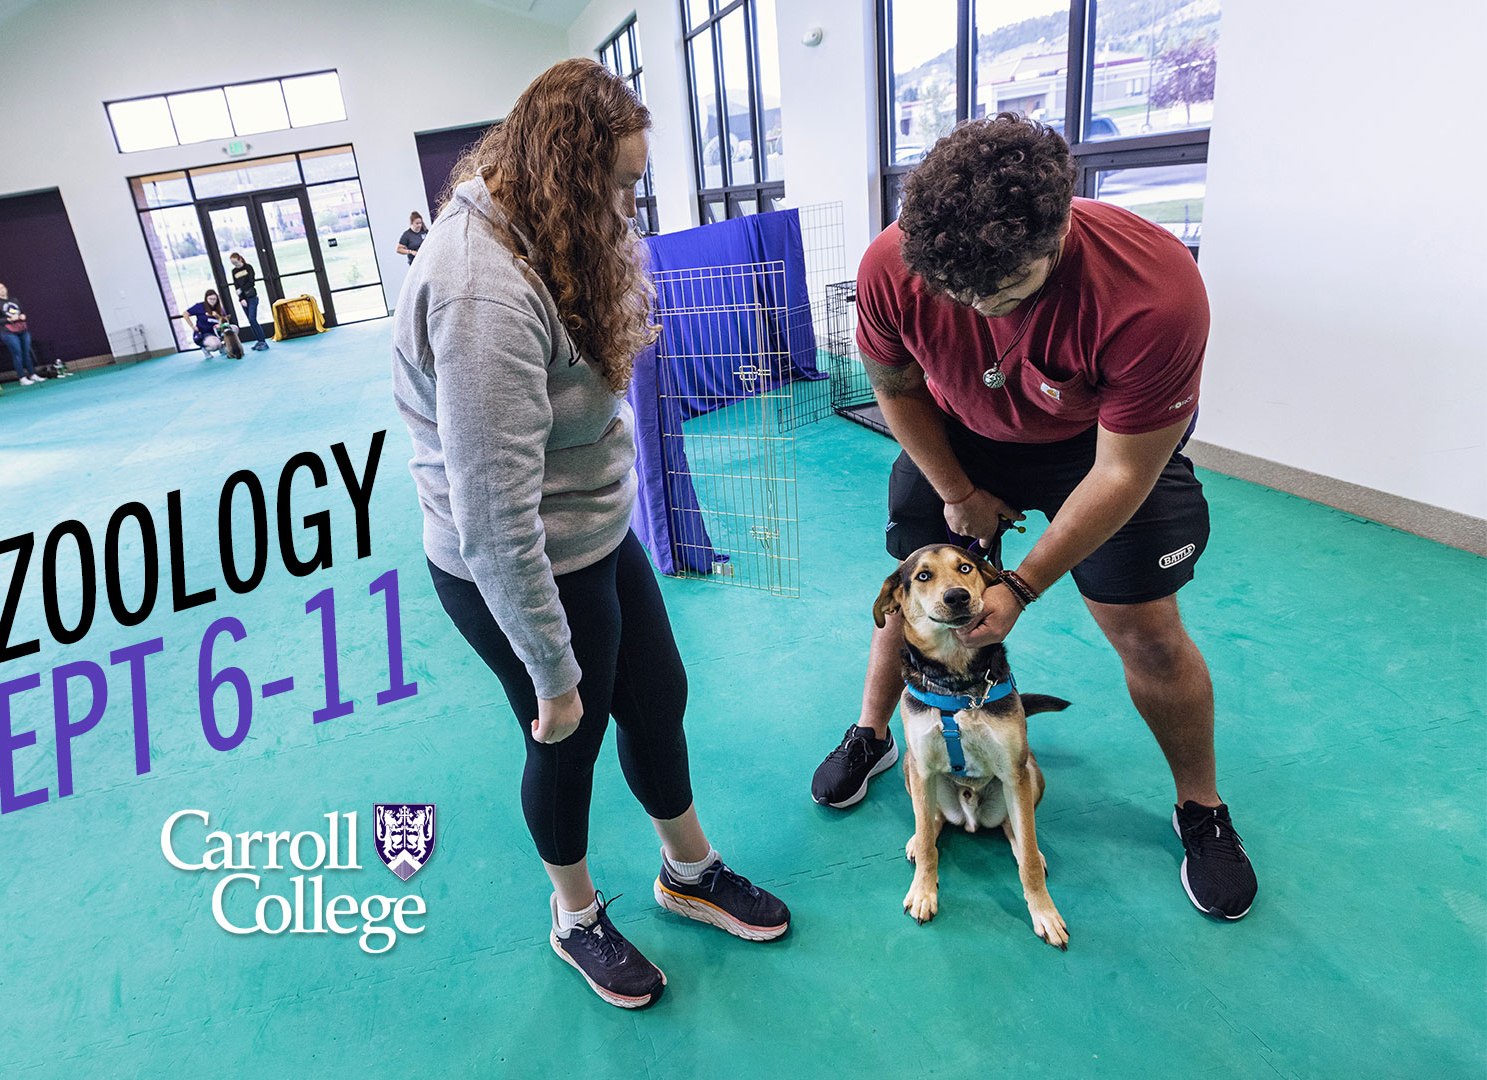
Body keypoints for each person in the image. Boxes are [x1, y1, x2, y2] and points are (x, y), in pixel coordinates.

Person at [392, 59, 789, 1010]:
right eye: (614, 186)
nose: (626, 206)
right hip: (513, 557)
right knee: (568, 732)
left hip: (593, 530)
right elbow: (493, 517)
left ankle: (688, 874)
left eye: (633, 185)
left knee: (658, 694)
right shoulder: (480, 289)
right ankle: (575, 921)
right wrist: (552, 669)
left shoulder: (563, 233)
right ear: (562, 174)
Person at [807, 114, 1257, 921]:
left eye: (1004, 293)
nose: (980, 313)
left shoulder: (1154, 290)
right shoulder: (891, 262)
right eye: (958, 295)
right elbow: (898, 386)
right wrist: (955, 491)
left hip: (1100, 446)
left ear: (1060, 230)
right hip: (960, 437)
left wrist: (1020, 580)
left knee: (1147, 629)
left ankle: (1202, 808)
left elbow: (1123, 470)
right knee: (911, 593)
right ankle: (875, 735)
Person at [0, 282, 43, 384]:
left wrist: (22, 316)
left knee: (26, 352)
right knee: (17, 353)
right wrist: (8, 319)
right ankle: (22, 378)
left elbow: (21, 312)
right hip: (8, 332)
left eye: (3, 287)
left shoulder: (14, 300)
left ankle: (33, 374)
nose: (2, 290)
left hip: (22, 330)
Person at [226, 254, 270, 351]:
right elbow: (236, 285)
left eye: (235, 262)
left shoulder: (248, 267)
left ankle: (263, 341)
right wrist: (241, 298)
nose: (234, 264)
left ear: (240, 259)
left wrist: (241, 289)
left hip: (251, 296)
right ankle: (258, 341)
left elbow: (251, 282)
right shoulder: (234, 271)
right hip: (243, 299)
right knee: (250, 321)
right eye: (232, 263)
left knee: (252, 319)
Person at [184, 289, 237, 356]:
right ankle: (205, 349)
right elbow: (185, 314)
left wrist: (220, 324)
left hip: (219, 330)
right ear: (206, 299)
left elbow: (225, 319)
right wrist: (192, 326)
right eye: (210, 299)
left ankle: (224, 346)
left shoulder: (219, 307)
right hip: (205, 333)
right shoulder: (200, 306)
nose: (212, 301)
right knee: (215, 344)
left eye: (214, 299)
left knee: (234, 328)